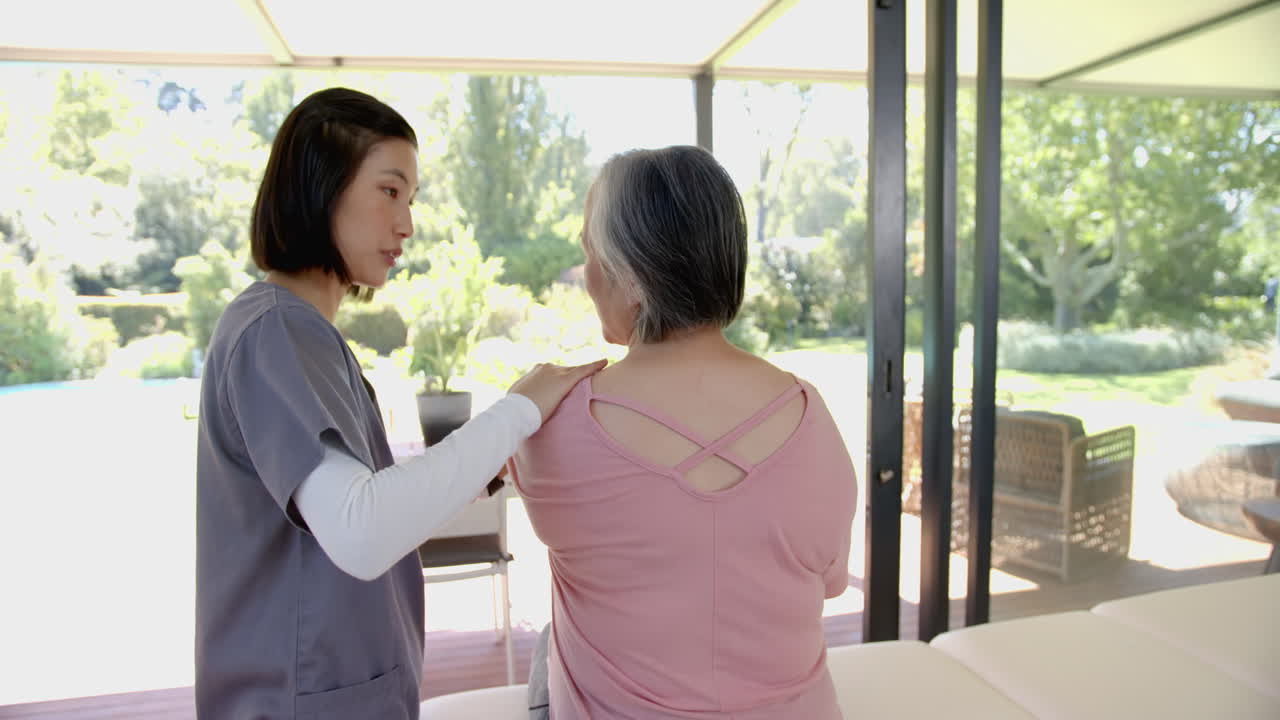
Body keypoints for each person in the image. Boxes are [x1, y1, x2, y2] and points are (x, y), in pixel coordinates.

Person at [193, 87, 603, 719]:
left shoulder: (301, 333)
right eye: (389, 191)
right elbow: (362, 529)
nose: (407, 223)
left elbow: (361, 503)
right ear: (319, 187)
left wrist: (485, 469)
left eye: (411, 199)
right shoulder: (275, 331)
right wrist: (520, 408)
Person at [509, 145, 858, 719]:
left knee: (549, 645)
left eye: (590, 254)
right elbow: (826, 584)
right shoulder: (811, 417)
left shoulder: (556, 426)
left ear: (633, 277)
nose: (587, 276)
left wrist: (512, 423)